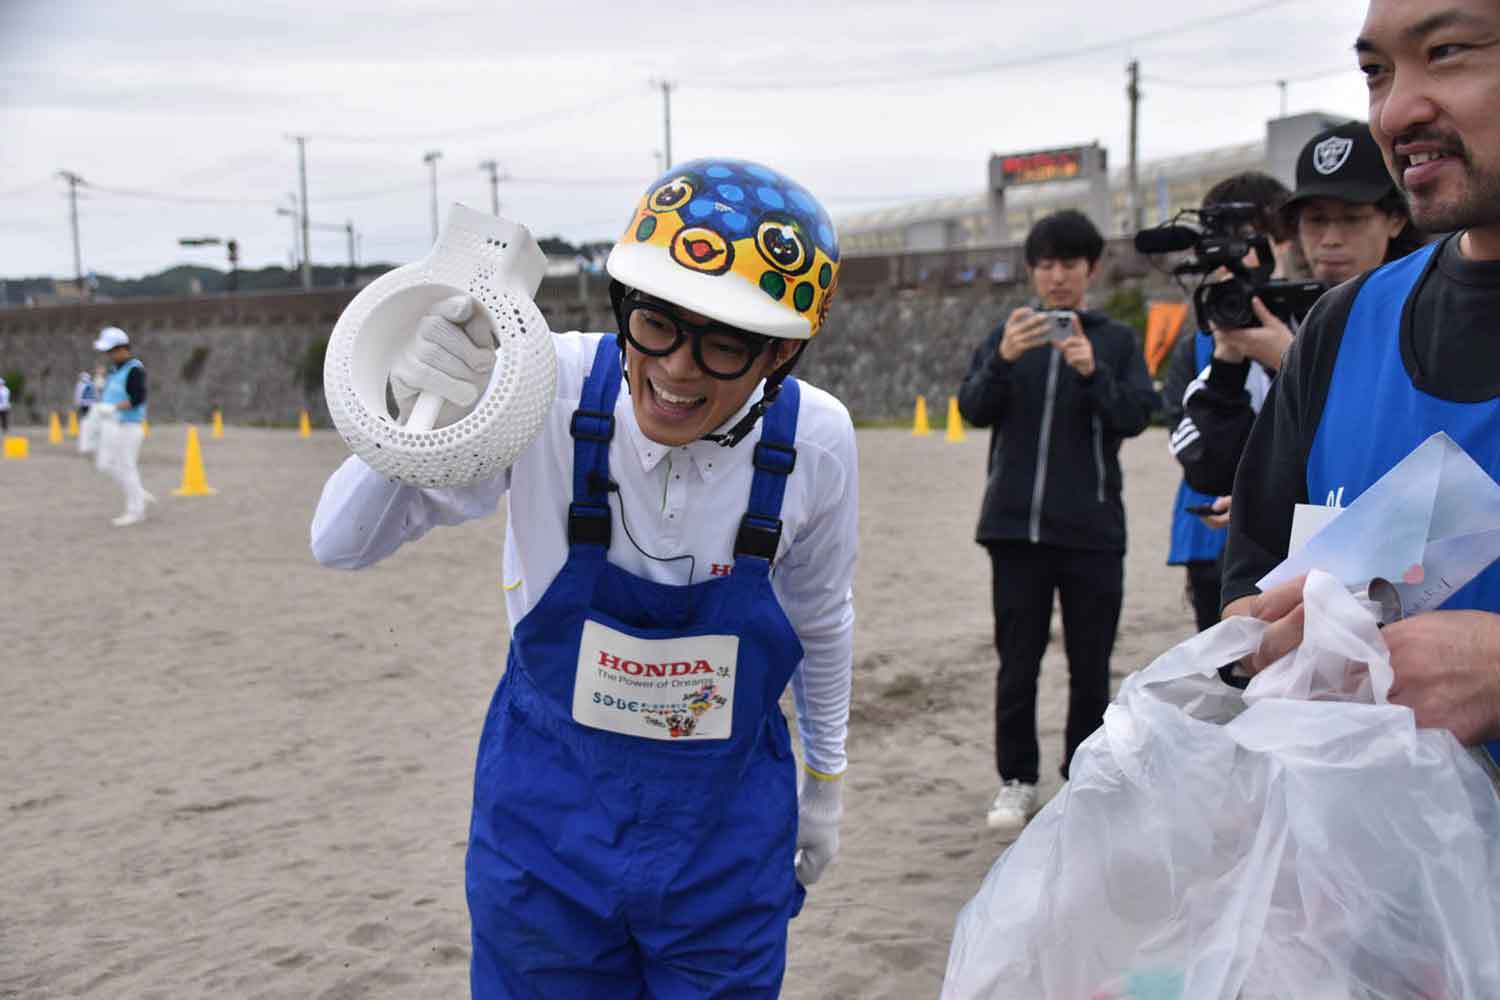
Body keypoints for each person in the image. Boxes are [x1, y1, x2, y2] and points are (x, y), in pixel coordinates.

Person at [310, 158, 857, 998]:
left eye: (723, 344)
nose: (676, 370)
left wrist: (825, 783)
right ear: (623, 308)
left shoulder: (817, 442)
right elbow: (339, 543)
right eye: (659, 325)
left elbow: (822, 622)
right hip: (545, 827)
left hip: (725, 839)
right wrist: (413, 400)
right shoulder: (540, 387)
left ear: (781, 353)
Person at [1223, 0, 1500, 765]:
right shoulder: (1345, 328)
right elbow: (1249, 580)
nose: (1397, 111)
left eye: (1446, 51)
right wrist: (1268, 637)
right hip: (1371, 863)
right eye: (1376, 72)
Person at [957, 209, 1158, 833]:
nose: (1057, 277)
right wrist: (1004, 360)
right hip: (1013, 530)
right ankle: (1016, 779)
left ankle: (1084, 776)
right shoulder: (1007, 335)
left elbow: (1135, 415)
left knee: (1090, 662)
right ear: (1031, 272)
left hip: (1093, 531)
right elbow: (971, 410)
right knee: (1016, 662)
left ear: (1091, 269)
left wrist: (1091, 370)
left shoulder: (1117, 341)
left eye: (1069, 263)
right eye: (1044, 264)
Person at [1162, 172, 1297, 633]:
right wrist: (1227, 359)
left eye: (1254, 242)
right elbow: (1196, 458)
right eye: (1224, 246)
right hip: (1213, 549)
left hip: (1307, 546)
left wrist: (1289, 359)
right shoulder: (1197, 347)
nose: (1239, 261)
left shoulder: (1321, 319)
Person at [92, 326, 153, 527]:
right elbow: (111, 393)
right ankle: (138, 493)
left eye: (110, 351)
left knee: (127, 465)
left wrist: (112, 408)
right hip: (114, 424)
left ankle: (136, 510)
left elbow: (138, 398)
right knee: (106, 464)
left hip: (130, 424)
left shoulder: (135, 369)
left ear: (122, 348)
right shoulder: (115, 370)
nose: (108, 355)